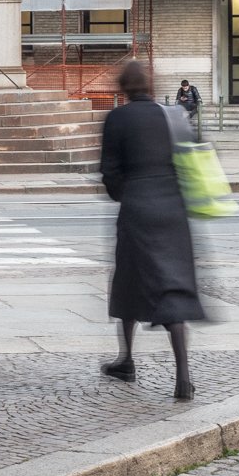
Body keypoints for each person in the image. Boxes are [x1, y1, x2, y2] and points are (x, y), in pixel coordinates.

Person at [99, 58, 205, 400]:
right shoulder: (172, 115)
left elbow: (110, 175)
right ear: (151, 84)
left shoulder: (116, 118)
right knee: (173, 288)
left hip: (137, 210)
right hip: (173, 211)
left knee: (129, 281)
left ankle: (127, 359)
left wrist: (127, 194)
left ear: (123, 89)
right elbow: (191, 156)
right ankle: (183, 377)